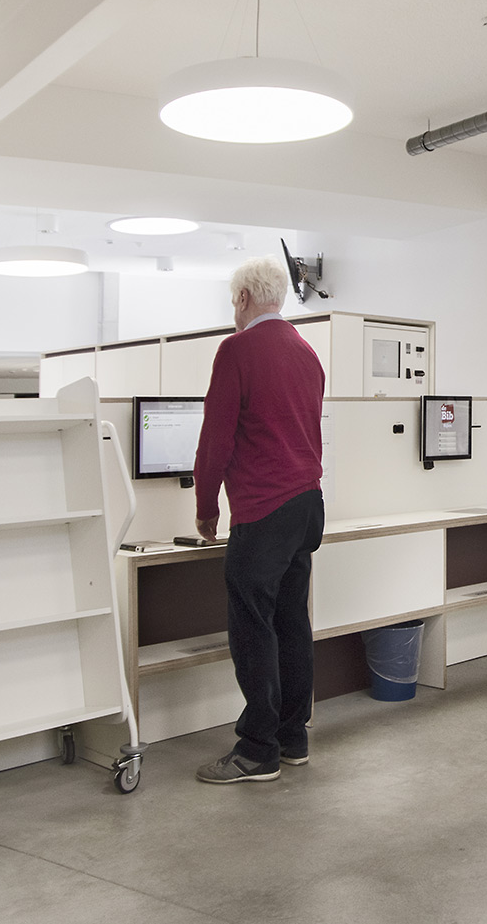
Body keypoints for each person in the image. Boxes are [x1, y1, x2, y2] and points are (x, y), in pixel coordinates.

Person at [193, 256, 326, 784]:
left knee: (253, 627)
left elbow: (216, 438)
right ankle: (293, 738)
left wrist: (207, 507)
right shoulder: (306, 352)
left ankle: (257, 749)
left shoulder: (237, 350)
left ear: (245, 298)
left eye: (234, 301)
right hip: (307, 504)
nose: (234, 311)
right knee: (292, 622)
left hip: (264, 509)